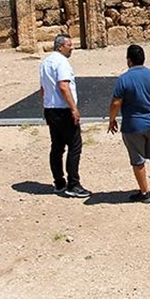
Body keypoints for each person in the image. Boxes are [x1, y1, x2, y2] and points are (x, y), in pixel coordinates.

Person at [107, 44, 150, 203]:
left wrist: (112, 119)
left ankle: (145, 192)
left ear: (129, 60)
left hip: (133, 125)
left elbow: (115, 103)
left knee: (138, 159)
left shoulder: (124, 79)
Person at [39, 33, 89, 198]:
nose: (72, 48)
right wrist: (73, 108)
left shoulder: (45, 62)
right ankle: (73, 184)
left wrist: (47, 104)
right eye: (69, 45)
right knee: (75, 146)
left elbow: (43, 88)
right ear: (60, 46)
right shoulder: (62, 63)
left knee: (57, 146)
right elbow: (63, 86)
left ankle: (59, 182)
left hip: (50, 108)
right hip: (63, 109)